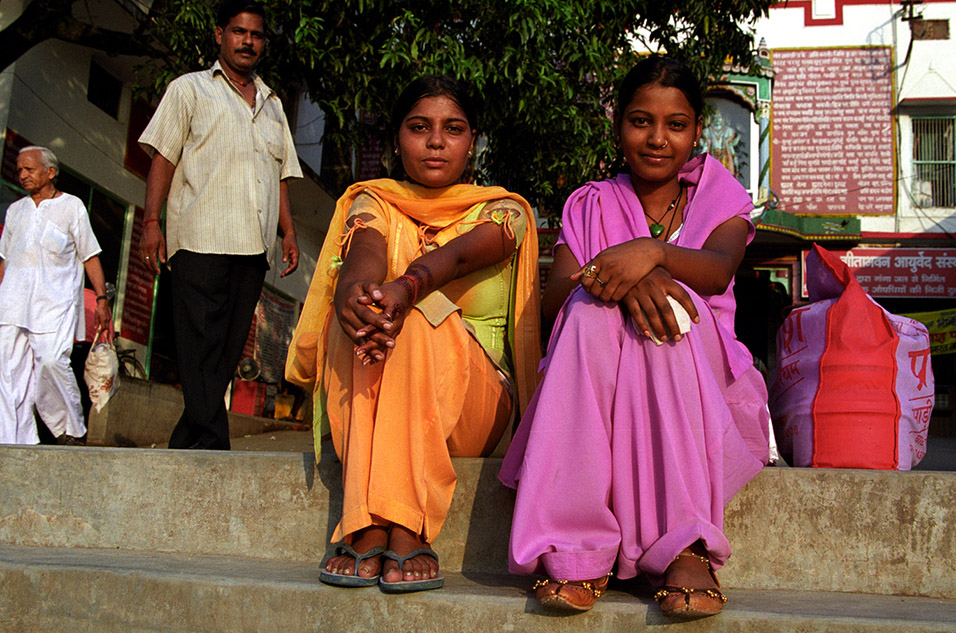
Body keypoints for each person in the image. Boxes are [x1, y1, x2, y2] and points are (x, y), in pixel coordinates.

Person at [499, 56, 770, 619]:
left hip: (702, 376)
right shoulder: (590, 203)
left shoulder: (723, 200)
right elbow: (555, 305)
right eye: (640, 121)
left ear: (699, 131)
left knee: (671, 306)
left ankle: (686, 543)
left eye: (676, 125)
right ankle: (575, 543)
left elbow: (717, 271)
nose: (657, 138)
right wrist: (620, 281)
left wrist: (652, 255)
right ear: (618, 125)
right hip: (595, 367)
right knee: (590, 311)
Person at [286, 76, 540, 593]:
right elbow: (365, 252)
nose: (436, 141)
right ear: (397, 138)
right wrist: (358, 297)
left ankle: (401, 523)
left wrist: (408, 287)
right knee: (360, 314)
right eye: (419, 127)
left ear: (473, 142)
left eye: (454, 129)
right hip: (382, 385)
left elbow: (464, 253)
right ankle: (375, 521)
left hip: (476, 405)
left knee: (425, 315)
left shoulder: (503, 209)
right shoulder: (373, 201)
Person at [138, 0, 302, 450]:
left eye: (256, 34)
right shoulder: (189, 90)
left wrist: (288, 232)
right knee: (198, 345)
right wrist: (152, 220)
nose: (248, 41)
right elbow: (164, 157)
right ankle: (213, 442)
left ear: (263, 43)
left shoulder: (272, 106)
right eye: (238, 32)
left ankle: (186, 442)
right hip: (200, 238)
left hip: (252, 248)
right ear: (219, 35)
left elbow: (281, 175)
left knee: (227, 351)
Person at [0, 146, 112, 445]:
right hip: (12, 304)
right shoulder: (16, 210)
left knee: (51, 362)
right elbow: (5, 259)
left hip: (55, 304)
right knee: (10, 373)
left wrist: (102, 299)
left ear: (50, 172)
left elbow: (90, 255)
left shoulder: (72, 207)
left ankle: (70, 430)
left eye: (29, 169)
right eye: (20, 170)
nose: (22, 174)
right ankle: (15, 441)